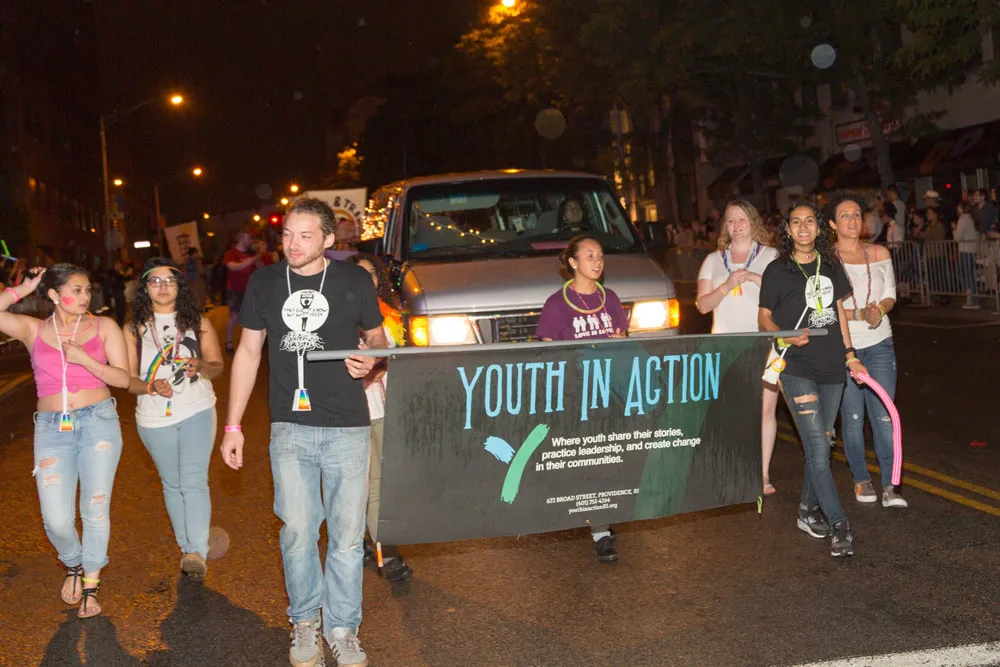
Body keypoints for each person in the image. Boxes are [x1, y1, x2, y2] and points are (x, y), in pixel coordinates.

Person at [220, 197, 385, 667]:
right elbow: (248, 353)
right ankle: (306, 621)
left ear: (328, 239)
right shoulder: (265, 282)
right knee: (297, 531)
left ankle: (343, 628)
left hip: (347, 425)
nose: (292, 244)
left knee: (347, 537)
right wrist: (232, 425)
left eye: (305, 236)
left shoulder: (353, 280)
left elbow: (378, 336)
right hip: (289, 426)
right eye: (288, 235)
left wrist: (373, 357)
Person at [0, 264, 132, 616]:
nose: (85, 296)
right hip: (51, 427)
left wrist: (85, 360)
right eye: (76, 290)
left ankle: (91, 584)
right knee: (55, 518)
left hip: (98, 423)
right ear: (55, 295)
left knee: (95, 508)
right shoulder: (33, 329)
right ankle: (73, 562)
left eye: (87, 289)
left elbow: (123, 379)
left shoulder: (104, 326)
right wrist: (25, 287)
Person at [758, 202, 868, 558]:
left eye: (809, 221)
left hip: (832, 365)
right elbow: (763, 318)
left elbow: (838, 312)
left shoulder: (830, 264)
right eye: (796, 222)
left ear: (819, 228)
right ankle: (839, 523)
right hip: (796, 367)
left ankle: (807, 511)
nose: (803, 227)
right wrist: (785, 335)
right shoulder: (777, 270)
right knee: (818, 447)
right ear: (787, 229)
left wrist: (850, 354)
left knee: (821, 441)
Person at [125, 258, 224, 579]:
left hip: (197, 408)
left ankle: (196, 552)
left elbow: (217, 366)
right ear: (145, 288)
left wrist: (201, 366)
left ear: (180, 287)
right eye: (155, 281)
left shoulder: (198, 322)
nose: (163, 287)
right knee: (171, 484)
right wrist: (150, 386)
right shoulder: (133, 329)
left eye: (170, 281)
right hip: (153, 416)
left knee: (193, 480)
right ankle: (187, 548)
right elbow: (127, 379)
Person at [535, 235, 628, 563]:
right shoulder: (556, 305)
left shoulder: (610, 299)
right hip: (577, 397)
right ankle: (601, 533)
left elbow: (623, 344)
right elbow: (548, 355)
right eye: (589, 255)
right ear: (573, 262)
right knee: (590, 462)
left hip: (609, 394)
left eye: (600, 255)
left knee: (609, 460)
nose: (597, 261)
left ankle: (601, 519)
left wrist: (619, 343)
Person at [695, 200, 781, 495]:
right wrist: (726, 286)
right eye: (730, 220)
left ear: (753, 222)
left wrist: (757, 278)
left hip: (765, 344)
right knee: (730, 412)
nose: (736, 226)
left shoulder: (771, 256)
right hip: (726, 347)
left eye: (742, 219)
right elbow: (703, 306)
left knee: (765, 410)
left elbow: (784, 295)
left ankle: (763, 474)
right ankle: (731, 469)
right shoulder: (713, 260)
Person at [829, 194, 907, 509]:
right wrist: (859, 314)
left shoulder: (879, 252)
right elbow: (825, 309)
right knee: (853, 417)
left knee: (884, 415)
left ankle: (890, 486)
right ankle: (861, 479)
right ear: (832, 224)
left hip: (880, 344)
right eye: (844, 215)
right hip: (845, 347)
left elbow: (890, 294)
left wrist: (879, 310)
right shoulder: (826, 260)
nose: (852, 219)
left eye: (856, 214)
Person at [348, 254, 412, 584]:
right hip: (354, 411)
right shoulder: (337, 315)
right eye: (358, 274)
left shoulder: (391, 315)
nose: (366, 279)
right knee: (367, 484)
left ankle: (373, 543)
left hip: (387, 407)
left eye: (371, 273)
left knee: (385, 482)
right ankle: (383, 550)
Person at [223, 231, 262, 353]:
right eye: (248, 238)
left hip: (249, 289)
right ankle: (228, 341)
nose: (250, 241)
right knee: (234, 315)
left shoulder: (251, 253)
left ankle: (251, 341)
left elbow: (261, 268)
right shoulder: (231, 253)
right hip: (235, 289)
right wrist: (252, 260)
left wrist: (258, 258)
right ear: (241, 238)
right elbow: (233, 267)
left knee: (253, 315)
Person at [953, 202, 980, 310]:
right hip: (972, 249)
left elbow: (958, 237)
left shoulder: (963, 218)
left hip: (965, 249)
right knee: (969, 273)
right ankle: (972, 296)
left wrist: (954, 229)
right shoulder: (972, 218)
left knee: (966, 274)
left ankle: (971, 298)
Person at [184, 247, 208, 313]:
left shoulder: (187, 261)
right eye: (195, 253)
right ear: (192, 254)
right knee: (198, 294)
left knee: (196, 294)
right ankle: (199, 308)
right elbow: (201, 270)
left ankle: (197, 308)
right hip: (196, 280)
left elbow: (185, 272)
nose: (196, 255)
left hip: (192, 280)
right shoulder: (197, 260)